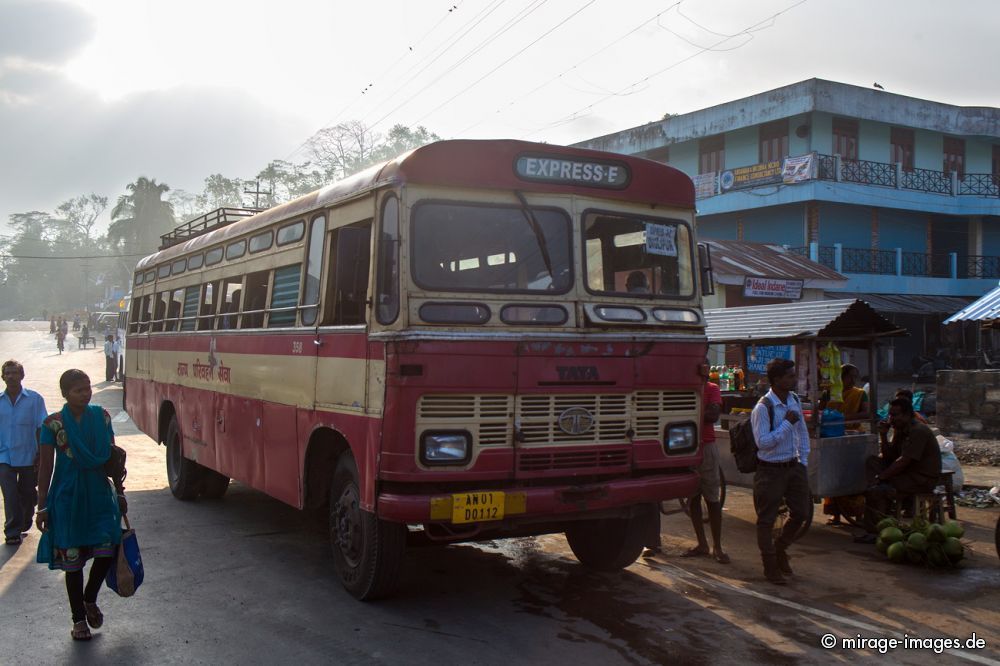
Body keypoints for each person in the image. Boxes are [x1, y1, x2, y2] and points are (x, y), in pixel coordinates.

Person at [36, 369, 124, 641]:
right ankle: (78, 621)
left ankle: (90, 598)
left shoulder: (102, 417)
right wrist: (41, 506)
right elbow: (45, 467)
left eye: (87, 388)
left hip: (98, 494)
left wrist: (120, 493)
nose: (85, 394)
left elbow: (113, 459)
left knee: (107, 548)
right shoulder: (52, 424)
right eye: (78, 390)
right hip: (66, 498)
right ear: (65, 393)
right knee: (72, 562)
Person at [750, 357, 811, 585]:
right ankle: (770, 565)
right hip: (771, 470)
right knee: (766, 520)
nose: (794, 379)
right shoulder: (763, 408)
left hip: (794, 466)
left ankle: (780, 548)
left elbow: (802, 433)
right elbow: (763, 442)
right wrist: (786, 424)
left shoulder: (794, 399)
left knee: (802, 513)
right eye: (790, 376)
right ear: (776, 380)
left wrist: (803, 460)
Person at [858, 398, 941, 541]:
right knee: (872, 462)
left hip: (921, 478)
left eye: (895, 415)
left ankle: (874, 530)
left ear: (908, 415)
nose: (891, 419)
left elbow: (903, 461)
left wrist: (882, 477)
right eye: (890, 415)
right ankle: (882, 496)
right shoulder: (900, 429)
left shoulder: (918, 431)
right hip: (906, 473)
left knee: (877, 491)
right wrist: (883, 435)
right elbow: (889, 457)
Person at [681, 380, 730, 563]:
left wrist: (687, 411)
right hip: (687, 446)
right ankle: (702, 544)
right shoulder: (686, 388)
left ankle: (717, 546)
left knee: (712, 498)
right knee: (693, 497)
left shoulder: (712, 388)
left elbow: (713, 415)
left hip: (706, 447)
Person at [0, 360, 48, 545]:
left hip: (29, 455)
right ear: (3, 377)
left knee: (27, 494)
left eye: (15, 373)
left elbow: (40, 428)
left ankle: (25, 519)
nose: (11, 376)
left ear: (22, 375)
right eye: (7, 373)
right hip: (4, 456)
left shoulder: (34, 399)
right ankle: (12, 532)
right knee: (10, 495)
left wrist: (41, 454)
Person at [818, 364, 870, 525]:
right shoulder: (829, 393)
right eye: (850, 376)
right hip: (831, 437)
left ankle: (859, 514)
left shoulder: (860, 394)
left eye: (856, 376)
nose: (853, 380)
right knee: (833, 476)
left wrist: (843, 418)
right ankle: (835, 515)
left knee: (854, 476)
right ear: (841, 376)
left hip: (853, 435)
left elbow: (866, 413)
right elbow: (819, 411)